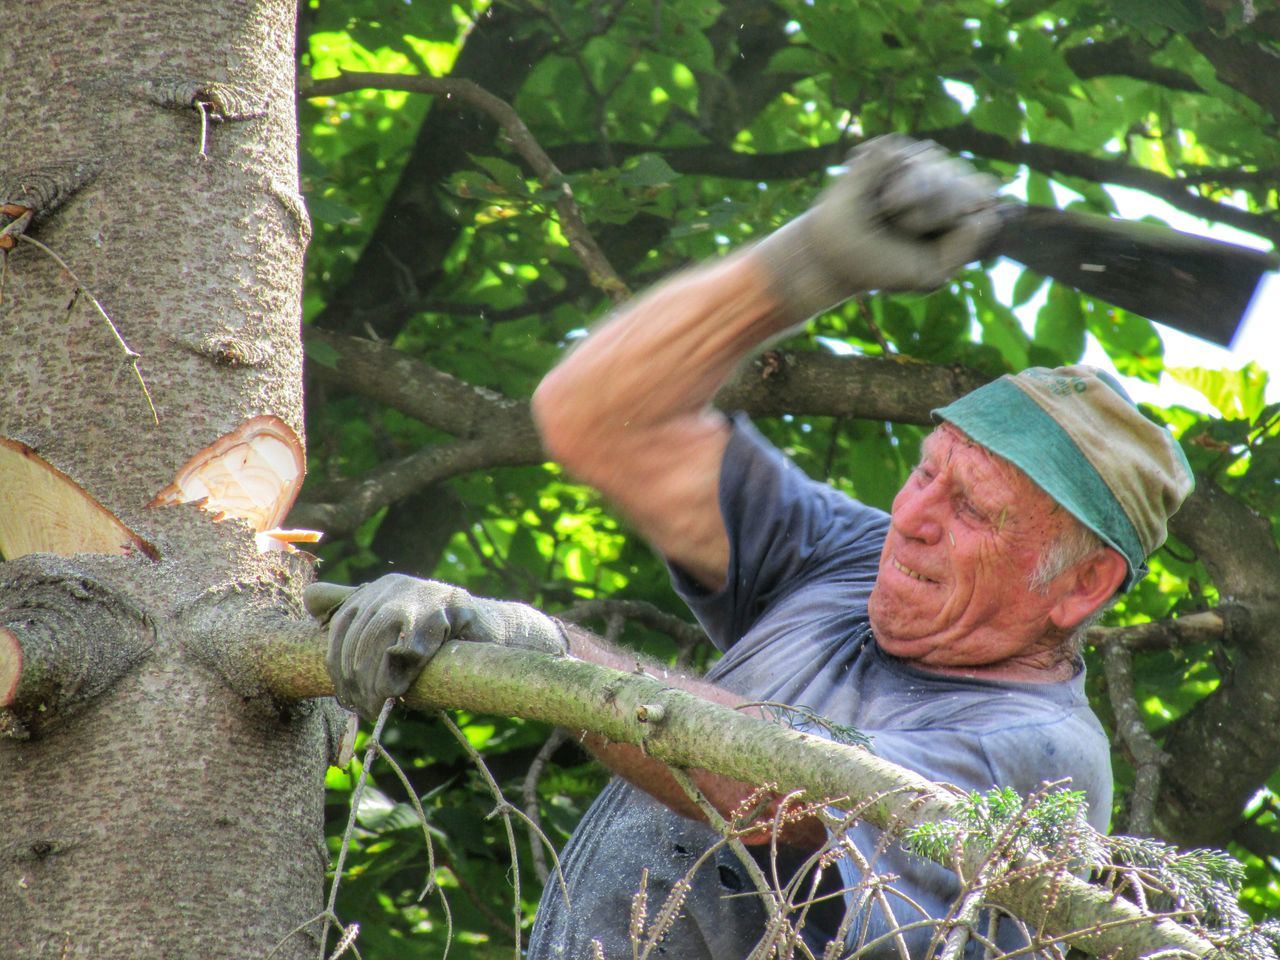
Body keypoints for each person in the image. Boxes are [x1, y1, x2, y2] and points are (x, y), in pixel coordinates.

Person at [307, 137, 1194, 958]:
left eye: (973, 509)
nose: (916, 518)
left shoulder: (1042, 755)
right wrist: (814, 261)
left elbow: (777, 796)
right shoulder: (853, 564)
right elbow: (602, 414)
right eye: (926, 473)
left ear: (1082, 585)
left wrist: (546, 652)